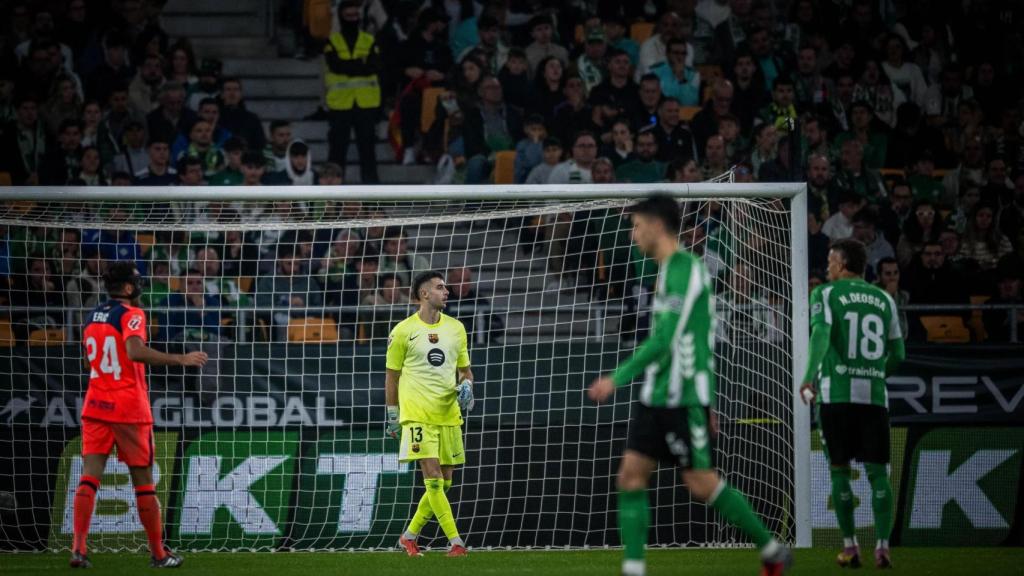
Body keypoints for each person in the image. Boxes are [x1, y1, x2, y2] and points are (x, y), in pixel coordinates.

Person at [587, 195, 792, 576]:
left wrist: (615, 378)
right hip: (657, 396)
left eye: (635, 226)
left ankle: (771, 549)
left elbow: (665, 340)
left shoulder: (685, 269)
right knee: (630, 476)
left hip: (681, 398)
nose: (633, 236)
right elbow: (698, 340)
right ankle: (633, 569)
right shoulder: (667, 270)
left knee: (701, 484)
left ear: (655, 225)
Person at [72, 261, 207, 569]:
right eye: (138, 282)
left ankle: (78, 549)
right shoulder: (132, 314)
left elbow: (87, 360)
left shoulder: (93, 315)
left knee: (90, 476)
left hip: (95, 405)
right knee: (144, 482)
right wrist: (180, 358)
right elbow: (134, 351)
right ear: (130, 288)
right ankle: (159, 554)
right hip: (128, 409)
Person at [799, 238, 905, 569]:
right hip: (874, 398)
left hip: (837, 395)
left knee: (840, 471)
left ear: (843, 264)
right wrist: (873, 374)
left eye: (831, 261)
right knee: (878, 474)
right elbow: (899, 355)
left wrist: (808, 376)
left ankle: (850, 547)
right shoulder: (885, 299)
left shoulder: (825, 294)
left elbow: (820, 336)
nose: (827, 267)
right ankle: (884, 547)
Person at [389, 271, 475, 558]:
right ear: (424, 294)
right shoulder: (403, 331)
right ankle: (456, 542)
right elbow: (392, 375)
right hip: (417, 413)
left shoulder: (457, 329)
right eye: (440, 287)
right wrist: (393, 413)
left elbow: (465, 371)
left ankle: (409, 536)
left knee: (446, 482)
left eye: (446, 287)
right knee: (434, 479)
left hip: (448, 413)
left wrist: (467, 387)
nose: (446, 291)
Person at [323, 0, 381, 184]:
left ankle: (372, 201)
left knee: (368, 152)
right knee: (337, 153)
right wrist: (360, 64)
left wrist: (349, 66)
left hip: (366, 104)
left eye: (355, 15)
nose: (352, 19)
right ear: (341, 17)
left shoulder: (369, 40)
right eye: (348, 16)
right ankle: (333, 200)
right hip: (340, 105)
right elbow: (335, 65)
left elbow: (374, 66)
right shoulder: (332, 40)